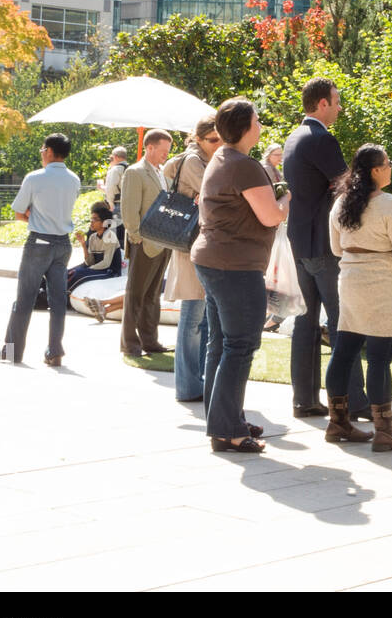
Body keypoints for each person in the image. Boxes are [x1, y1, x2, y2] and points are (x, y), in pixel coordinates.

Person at [192, 97, 290, 453]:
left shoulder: (220, 158)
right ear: (247, 127)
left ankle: (224, 420)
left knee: (221, 343)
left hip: (214, 259)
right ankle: (227, 428)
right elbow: (270, 217)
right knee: (240, 345)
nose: (261, 125)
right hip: (235, 264)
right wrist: (286, 200)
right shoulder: (244, 165)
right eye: (258, 120)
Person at [282, 77, 368, 421]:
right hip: (323, 246)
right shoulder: (320, 138)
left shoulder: (293, 137)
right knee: (342, 322)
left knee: (306, 322)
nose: (339, 107)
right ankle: (355, 402)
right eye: (336, 101)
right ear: (322, 104)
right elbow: (348, 186)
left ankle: (304, 399)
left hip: (300, 242)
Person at [326, 144, 392, 450]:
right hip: (382, 282)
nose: (391, 167)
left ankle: (338, 423)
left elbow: (337, 248)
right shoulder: (391, 204)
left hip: (350, 280)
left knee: (344, 352)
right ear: (376, 170)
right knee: (379, 357)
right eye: (388, 163)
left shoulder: (340, 203)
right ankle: (384, 429)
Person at [0, 133, 81, 366]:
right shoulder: (74, 179)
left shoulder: (34, 178)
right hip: (63, 244)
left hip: (39, 242)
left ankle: (12, 352)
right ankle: (54, 351)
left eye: (42, 149)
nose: (41, 153)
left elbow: (19, 212)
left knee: (24, 300)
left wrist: (34, 215)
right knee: (58, 301)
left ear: (49, 151)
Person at [163, 114, 220, 403]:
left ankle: (196, 380)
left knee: (203, 317)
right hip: (191, 244)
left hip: (198, 244)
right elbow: (217, 191)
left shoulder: (202, 159)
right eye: (213, 140)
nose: (218, 144)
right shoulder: (194, 162)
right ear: (198, 138)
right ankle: (187, 384)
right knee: (193, 315)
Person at [119, 129, 174, 357]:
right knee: (136, 295)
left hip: (163, 243)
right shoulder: (135, 172)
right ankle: (130, 343)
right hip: (144, 242)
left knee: (152, 295)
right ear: (149, 147)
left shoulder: (163, 173)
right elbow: (129, 209)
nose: (166, 156)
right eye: (163, 151)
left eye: (168, 152)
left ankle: (150, 341)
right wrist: (136, 237)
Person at [67, 200, 122, 293]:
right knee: (69, 272)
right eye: (91, 219)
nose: (91, 222)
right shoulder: (93, 237)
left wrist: (87, 269)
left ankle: (64, 294)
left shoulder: (110, 237)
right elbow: (90, 262)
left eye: (95, 219)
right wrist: (84, 245)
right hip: (97, 269)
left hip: (109, 271)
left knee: (80, 273)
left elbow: (106, 263)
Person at [101, 146, 129, 248]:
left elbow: (111, 188)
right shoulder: (132, 169)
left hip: (117, 205)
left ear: (116, 157)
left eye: (111, 158)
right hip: (130, 206)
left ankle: (116, 259)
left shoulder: (115, 170)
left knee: (115, 235)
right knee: (126, 235)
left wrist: (110, 203)